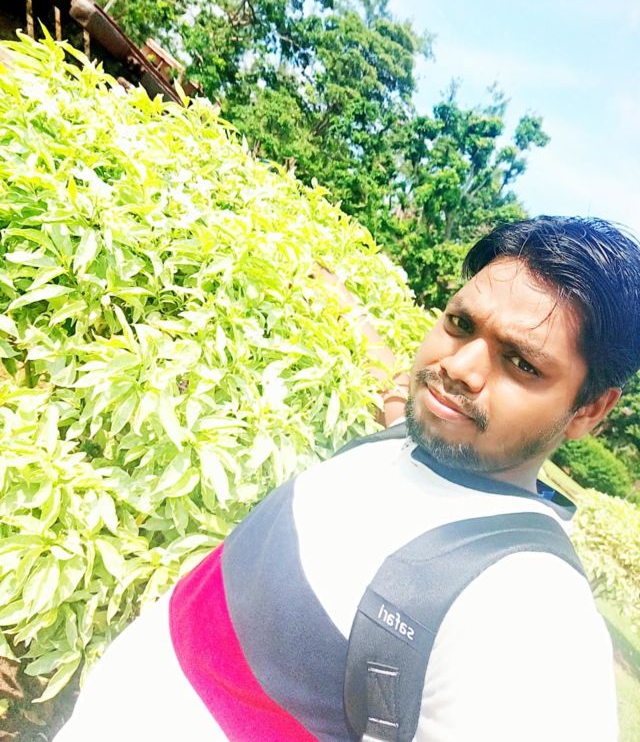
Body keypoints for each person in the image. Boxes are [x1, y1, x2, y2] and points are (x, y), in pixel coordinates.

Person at [55, 216, 640, 742]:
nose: (458, 368)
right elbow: (394, 387)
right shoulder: (415, 441)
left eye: (521, 363)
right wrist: (342, 301)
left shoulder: (528, 610)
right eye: (460, 324)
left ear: (589, 410)